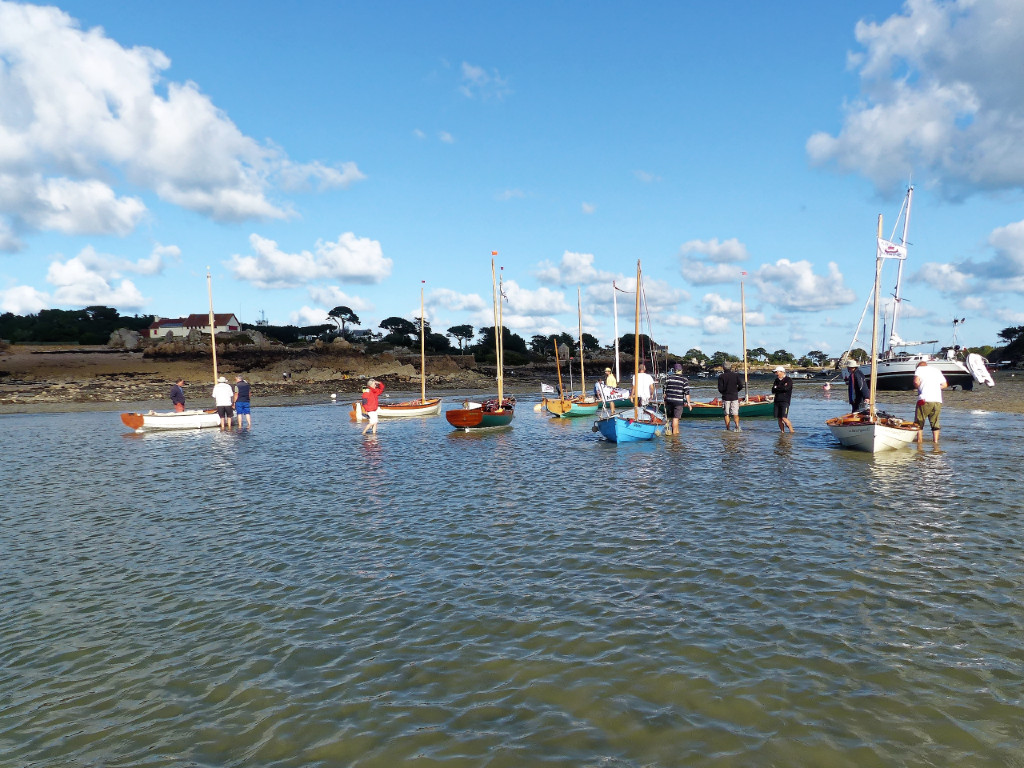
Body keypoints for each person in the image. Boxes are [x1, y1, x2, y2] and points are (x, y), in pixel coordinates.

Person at [913, 359, 948, 445]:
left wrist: (918, 387)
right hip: (937, 400)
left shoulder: (919, 369)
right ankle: (935, 442)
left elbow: (916, 381)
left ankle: (919, 442)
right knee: (935, 422)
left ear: (918, 366)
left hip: (924, 399)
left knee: (919, 422)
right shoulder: (936, 370)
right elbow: (945, 385)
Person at [663, 363, 692, 435]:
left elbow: (664, 390)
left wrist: (665, 400)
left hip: (669, 400)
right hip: (678, 401)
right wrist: (689, 403)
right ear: (681, 370)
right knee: (676, 418)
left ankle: (676, 432)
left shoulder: (668, 378)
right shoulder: (684, 379)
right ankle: (674, 435)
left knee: (671, 417)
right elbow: (687, 393)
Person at [717, 360, 745, 431]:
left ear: (723, 368)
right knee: (735, 413)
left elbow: (720, 389)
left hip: (726, 397)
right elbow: (741, 386)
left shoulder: (721, 376)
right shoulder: (735, 375)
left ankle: (728, 429)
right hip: (734, 396)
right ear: (730, 367)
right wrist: (736, 391)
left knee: (726, 414)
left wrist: (724, 392)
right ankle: (737, 427)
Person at [771, 365, 794, 433]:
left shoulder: (788, 380)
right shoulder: (776, 380)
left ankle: (791, 431)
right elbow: (773, 390)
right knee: (779, 418)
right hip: (777, 400)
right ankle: (782, 432)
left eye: (776, 372)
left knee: (784, 417)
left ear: (781, 372)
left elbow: (786, 389)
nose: (775, 373)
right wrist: (780, 388)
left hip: (785, 401)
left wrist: (778, 388)